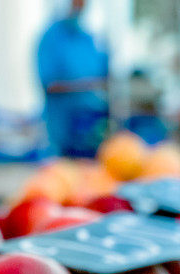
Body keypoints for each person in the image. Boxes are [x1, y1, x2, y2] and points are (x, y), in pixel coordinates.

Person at [37, 0, 109, 157]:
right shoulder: (51, 38)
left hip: (91, 125)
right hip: (62, 127)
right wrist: (86, 85)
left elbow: (104, 74)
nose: (79, 7)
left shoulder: (88, 39)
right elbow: (49, 83)